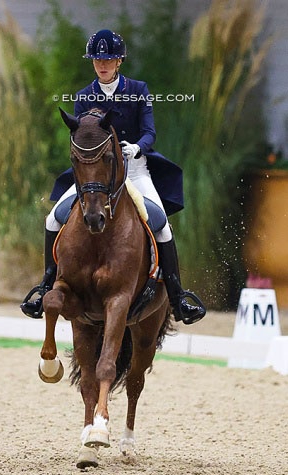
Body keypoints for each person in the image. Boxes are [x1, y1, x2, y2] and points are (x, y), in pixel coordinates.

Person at [22, 29, 206, 325]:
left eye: (108, 59)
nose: (102, 64)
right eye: (97, 59)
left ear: (119, 60)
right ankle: (45, 285)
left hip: (133, 169)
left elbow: (149, 131)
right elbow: (81, 135)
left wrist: (138, 147)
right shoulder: (83, 97)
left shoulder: (138, 89)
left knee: (161, 226)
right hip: (95, 172)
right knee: (52, 219)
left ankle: (176, 297)